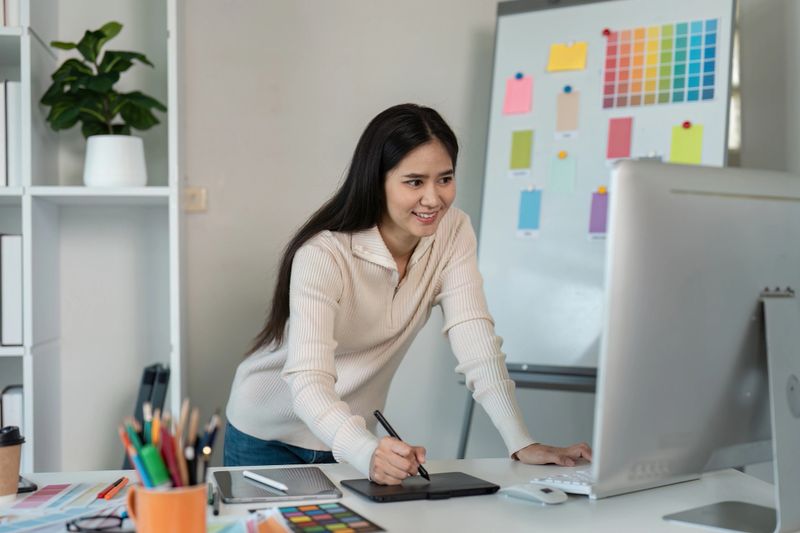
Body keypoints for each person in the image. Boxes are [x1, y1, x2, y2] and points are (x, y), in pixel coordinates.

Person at [224, 103, 592, 485]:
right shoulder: (324, 255)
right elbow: (308, 381)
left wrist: (520, 440)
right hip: (267, 435)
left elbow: (475, 338)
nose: (433, 199)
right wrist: (365, 451)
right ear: (376, 181)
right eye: (414, 182)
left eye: (445, 179)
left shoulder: (453, 231)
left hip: (349, 437)